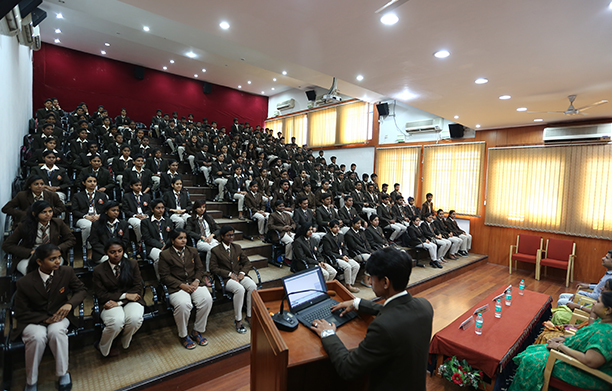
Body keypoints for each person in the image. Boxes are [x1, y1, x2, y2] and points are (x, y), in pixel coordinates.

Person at [310, 247, 433, 391]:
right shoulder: (425, 306)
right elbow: (396, 311)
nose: (369, 281)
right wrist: (358, 303)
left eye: (371, 276)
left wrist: (328, 334)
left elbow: (348, 368)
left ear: (385, 282)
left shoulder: (383, 327)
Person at [14, 244, 87, 391]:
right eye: (52, 259)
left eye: (59, 257)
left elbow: (81, 290)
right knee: (37, 337)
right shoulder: (24, 282)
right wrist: (43, 319)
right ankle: (31, 381)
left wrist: (69, 304)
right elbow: (21, 312)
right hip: (34, 318)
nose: (58, 261)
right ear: (40, 261)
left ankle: (62, 373)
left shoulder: (66, 272)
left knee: (56, 332)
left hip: (59, 314)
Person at [509, 291, 612, 391]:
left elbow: (590, 361)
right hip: (573, 358)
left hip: (586, 374)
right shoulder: (602, 322)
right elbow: (584, 338)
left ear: (608, 310)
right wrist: (564, 338)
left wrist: (560, 347)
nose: (593, 302)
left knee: (530, 361)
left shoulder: (606, 333)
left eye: (598, 302)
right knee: (533, 349)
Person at [158, 229, 213, 349]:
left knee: (206, 299)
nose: (183, 240)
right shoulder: (165, 254)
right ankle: (183, 335)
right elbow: (164, 276)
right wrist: (181, 285)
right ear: (172, 240)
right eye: (180, 238)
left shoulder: (192, 250)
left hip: (194, 282)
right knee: (184, 304)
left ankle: (197, 331)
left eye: (185, 238)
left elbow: (200, 269)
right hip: (176, 286)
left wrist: (197, 280)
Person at [92, 239, 145, 357]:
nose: (116, 255)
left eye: (119, 251)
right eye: (112, 252)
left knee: (135, 319)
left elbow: (137, 287)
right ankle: (103, 347)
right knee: (116, 322)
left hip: (130, 300)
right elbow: (101, 294)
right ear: (106, 252)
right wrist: (125, 296)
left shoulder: (132, 264)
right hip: (109, 301)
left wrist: (121, 302)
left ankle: (123, 341)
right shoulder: (98, 270)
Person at [3, 201, 76, 276]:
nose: (48, 214)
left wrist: (57, 248)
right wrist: (29, 252)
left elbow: (71, 239)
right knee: (33, 274)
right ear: (34, 214)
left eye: (50, 211)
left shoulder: (58, 223)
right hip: (30, 256)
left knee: (51, 272)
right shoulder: (24, 225)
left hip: (52, 255)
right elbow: (7, 245)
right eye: (44, 212)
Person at [210, 225, 258, 334]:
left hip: (239, 275)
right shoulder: (215, 250)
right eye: (228, 235)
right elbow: (213, 268)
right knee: (240, 289)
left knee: (252, 286)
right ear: (222, 236)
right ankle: (238, 320)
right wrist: (229, 274)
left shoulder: (237, 247)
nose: (231, 237)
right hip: (225, 278)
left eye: (233, 235)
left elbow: (247, 263)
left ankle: (249, 316)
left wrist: (242, 273)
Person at [72, 174, 109, 260]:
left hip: (98, 217)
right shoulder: (77, 196)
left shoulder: (102, 195)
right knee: (88, 225)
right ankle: (88, 249)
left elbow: (107, 209)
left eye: (94, 181)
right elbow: (74, 211)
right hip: (82, 218)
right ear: (83, 183)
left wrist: (100, 216)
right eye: (89, 181)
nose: (92, 183)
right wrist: (85, 216)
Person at [321, 219, 361, 293]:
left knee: (356, 265)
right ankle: (348, 285)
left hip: (343, 256)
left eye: (338, 227)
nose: (337, 229)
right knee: (347, 266)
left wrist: (345, 255)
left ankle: (350, 283)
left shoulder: (341, 236)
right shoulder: (327, 237)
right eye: (335, 227)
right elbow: (328, 252)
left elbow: (344, 248)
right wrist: (341, 257)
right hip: (335, 257)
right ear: (330, 228)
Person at [141, 199, 175, 276]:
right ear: (152, 210)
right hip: (152, 247)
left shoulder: (168, 221)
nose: (161, 210)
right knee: (160, 257)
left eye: (162, 208)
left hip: (167, 245)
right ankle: (162, 280)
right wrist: (161, 246)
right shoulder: (146, 222)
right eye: (158, 208)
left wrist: (166, 245)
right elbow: (147, 238)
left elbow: (172, 236)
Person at [185, 200, 219, 274]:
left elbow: (218, 229)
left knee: (219, 248)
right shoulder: (191, 219)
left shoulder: (209, 218)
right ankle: (208, 271)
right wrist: (201, 237)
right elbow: (188, 231)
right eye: (199, 207)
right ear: (195, 209)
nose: (202, 209)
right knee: (211, 249)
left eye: (203, 207)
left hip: (211, 239)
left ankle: (218, 268)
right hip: (200, 241)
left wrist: (211, 235)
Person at [344, 216, 373, 287]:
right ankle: (365, 279)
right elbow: (355, 246)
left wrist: (370, 250)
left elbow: (366, 242)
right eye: (357, 223)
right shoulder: (349, 234)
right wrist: (367, 252)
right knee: (371, 258)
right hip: (356, 253)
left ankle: (372, 277)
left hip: (365, 251)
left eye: (360, 223)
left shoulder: (361, 231)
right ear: (353, 224)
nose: (359, 225)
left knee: (376, 256)